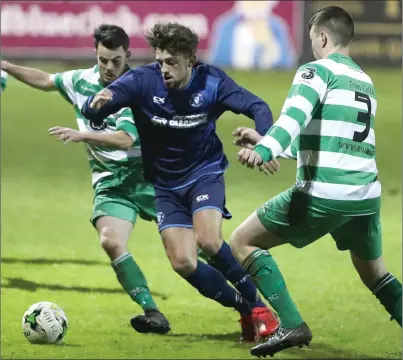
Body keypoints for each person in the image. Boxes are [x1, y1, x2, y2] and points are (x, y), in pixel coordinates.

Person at [81, 22, 280, 342]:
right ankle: (242, 307)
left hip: (204, 173)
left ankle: (260, 309)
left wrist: (265, 142)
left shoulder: (212, 82)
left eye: (172, 62)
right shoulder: (142, 81)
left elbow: (257, 106)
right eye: (160, 62)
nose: (164, 70)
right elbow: (96, 107)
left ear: (191, 59)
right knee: (183, 262)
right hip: (166, 186)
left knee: (209, 240)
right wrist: (96, 102)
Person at [230, 6, 402, 357]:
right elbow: (333, 142)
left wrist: (264, 150)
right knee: (375, 274)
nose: (312, 48)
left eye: (312, 41)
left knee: (242, 242)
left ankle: (292, 325)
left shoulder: (315, 71)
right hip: (365, 197)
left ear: (323, 38)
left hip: (324, 193)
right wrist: (266, 139)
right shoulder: (365, 82)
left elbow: (293, 117)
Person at [0, 24, 171, 335]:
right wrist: (7, 66)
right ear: (96, 54)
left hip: (149, 175)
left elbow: (125, 139)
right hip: (111, 180)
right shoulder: (81, 80)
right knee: (110, 240)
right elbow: (47, 80)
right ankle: (152, 312)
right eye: (103, 59)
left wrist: (83, 135)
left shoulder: (136, 88)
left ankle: (247, 300)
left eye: (115, 61)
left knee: (196, 249)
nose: (108, 67)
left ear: (127, 56)